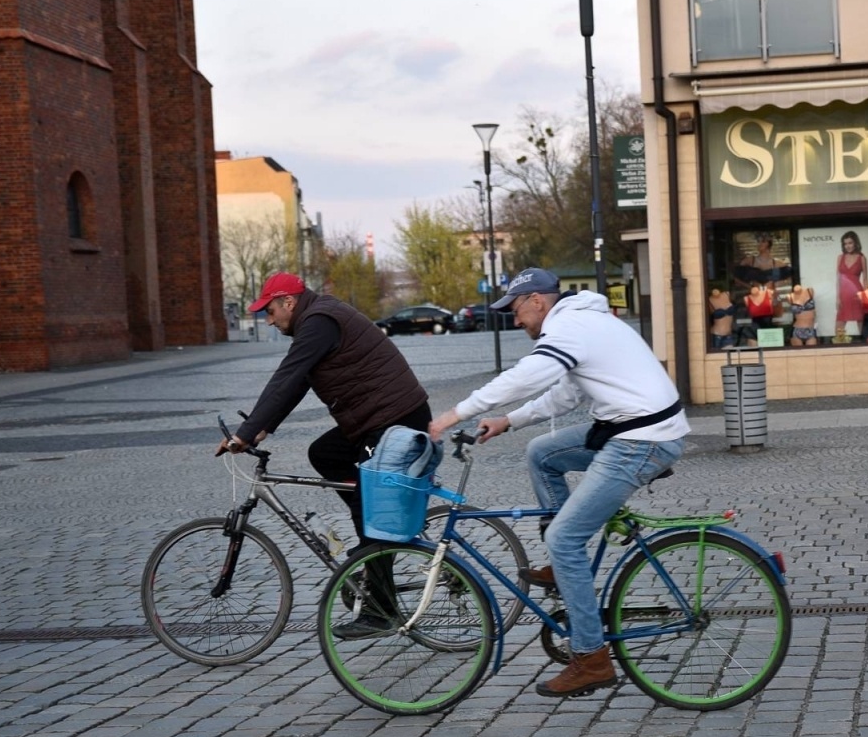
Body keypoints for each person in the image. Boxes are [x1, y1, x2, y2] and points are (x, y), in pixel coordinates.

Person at [427, 268, 688, 698]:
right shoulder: (580, 324)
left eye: (516, 310)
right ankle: (570, 570)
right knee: (541, 453)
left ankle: (591, 659)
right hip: (629, 429)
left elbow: (527, 376)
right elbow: (564, 395)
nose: (516, 320)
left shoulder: (571, 325)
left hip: (642, 440)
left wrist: (456, 414)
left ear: (536, 301)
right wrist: (509, 421)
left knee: (566, 537)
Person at [219, 272, 432, 639]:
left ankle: (383, 611)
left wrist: (246, 433)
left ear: (288, 302)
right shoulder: (318, 318)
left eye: (269, 311)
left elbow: (287, 376)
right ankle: (369, 546)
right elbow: (298, 382)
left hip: (392, 421)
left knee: (372, 512)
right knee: (325, 453)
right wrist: (265, 425)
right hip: (383, 418)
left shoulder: (318, 322)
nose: (268, 320)